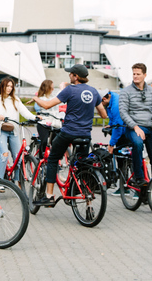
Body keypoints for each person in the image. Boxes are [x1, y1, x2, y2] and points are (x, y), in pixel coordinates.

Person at [31, 64, 107, 207]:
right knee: (82, 164)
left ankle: (49, 196)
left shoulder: (70, 90)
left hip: (68, 132)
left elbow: (47, 105)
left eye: (70, 74)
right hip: (85, 135)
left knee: (53, 158)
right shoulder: (94, 91)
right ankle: (87, 200)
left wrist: (35, 99)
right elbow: (103, 114)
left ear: (76, 76)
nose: (69, 76)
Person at [118, 63, 152, 188]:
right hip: (133, 128)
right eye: (134, 74)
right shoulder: (126, 92)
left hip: (150, 128)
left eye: (138, 74)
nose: (135, 76)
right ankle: (138, 177)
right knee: (137, 143)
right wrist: (135, 127)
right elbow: (123, 112)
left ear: (145, 75)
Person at [0, 78, 37, 181]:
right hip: (0, 130)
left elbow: (24, 112)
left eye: (11, 86)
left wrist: (35, 118)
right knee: (4, 155)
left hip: (14, 131)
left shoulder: (15, 99)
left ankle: (17, 181)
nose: (9, 88)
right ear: (2, 86)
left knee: (19, 158)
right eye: (7, 86)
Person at [33, 79, 62, 156]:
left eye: (53, 88)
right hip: (43, 122)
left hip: (54, 122)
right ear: (47, 88)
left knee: (56, 143)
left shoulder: (54, 97)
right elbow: (44, 105)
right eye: (51, 88)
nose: (53, 89)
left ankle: (53, 160)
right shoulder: (40, 98)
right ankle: (41, 159)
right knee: (44, 141)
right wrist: (36, 99)